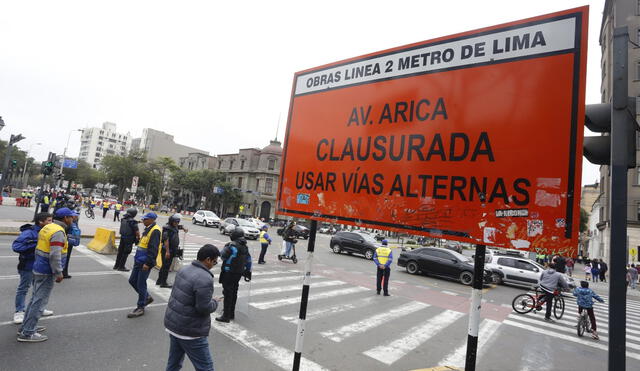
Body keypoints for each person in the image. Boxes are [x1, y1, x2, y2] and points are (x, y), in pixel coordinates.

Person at [18, 207, 76, 342]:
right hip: (46, 271)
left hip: (39, 267)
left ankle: (26, 326)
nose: (73, 219)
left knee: (34, 299)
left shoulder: (48, 227)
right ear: (66, 218)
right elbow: (55, 254)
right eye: (71, 217)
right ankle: (28, 332)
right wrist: (59, 272)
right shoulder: (58, 232)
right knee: (39, 301)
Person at [164, 244, 221, 371]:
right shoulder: (205, 278)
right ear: (207, 260)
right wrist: (215, 302)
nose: (214, 264)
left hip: (174, 325)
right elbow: (203, 308)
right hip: (190, 331)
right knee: (206, 368)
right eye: (215, 261)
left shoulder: (184, 269)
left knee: (174, 363)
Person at [12, 213, 54, 325]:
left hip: (41, 266)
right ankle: (19, 311)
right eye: (49, 220)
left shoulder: (48, 231)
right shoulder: (29, 232)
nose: (51, 222)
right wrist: (36, 244)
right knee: (23, 288)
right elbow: (16, 246)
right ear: (41, 222)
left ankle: (38, 308)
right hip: (27, 266)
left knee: (38, 289)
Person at [127, 212, 162, 318]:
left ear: (151, 220)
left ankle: (140, 307)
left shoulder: (155, 230)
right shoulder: (148, 228)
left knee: (141, 283)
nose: (143, 221)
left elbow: (153, 249)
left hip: (145, 262)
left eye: (145, 219)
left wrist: (148, 263)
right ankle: (146, 297)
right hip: (139, 260)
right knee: (132, 280)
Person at [216, 227, 252, 323]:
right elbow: (249, 260)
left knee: (227, 293)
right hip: (238, 273)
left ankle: (226, 316)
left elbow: (222, 255)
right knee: (234, 292)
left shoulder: (231, 246)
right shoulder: (245, 246)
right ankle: (231, 313)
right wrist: (248, 271)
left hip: (229, 272)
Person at [157, 214, 187, 288]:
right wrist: (167, 251)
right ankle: (163, 283)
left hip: (172, 250)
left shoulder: (174, 226)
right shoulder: (167, 229)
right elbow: (166, 241)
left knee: (164, 266)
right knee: (166, 267)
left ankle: (159, 281)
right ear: (171, 221)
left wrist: (183, 228)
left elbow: (179, 226)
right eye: (176, 222)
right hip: (167, 250)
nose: (177, 223)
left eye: (178, 222)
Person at [63, 213, 81, 279]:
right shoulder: (69, 223)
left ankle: (65, 272)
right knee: (65, 257)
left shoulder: (73, 222)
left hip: (70, 242)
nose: (77, 217)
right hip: (68, 242)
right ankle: (64, 273)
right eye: (75, 216)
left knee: (67, 258)